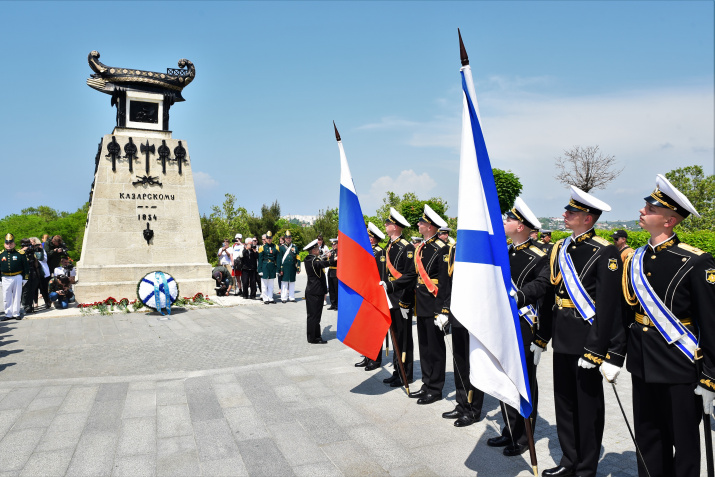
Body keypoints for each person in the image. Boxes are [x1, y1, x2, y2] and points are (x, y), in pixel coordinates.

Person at [515, 186, 624, 477]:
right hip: (563, 337)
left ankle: (586, 468)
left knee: (587, 409)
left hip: (588, 341)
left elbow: (610, 306)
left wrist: (609, 353)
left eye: (572, 211)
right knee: (564, 404)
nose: (565, 214)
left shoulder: (605, 251)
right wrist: (524, 306)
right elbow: (546, 290)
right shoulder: (560, 248)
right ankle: (569, 460)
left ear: (588, 218)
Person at [616, 175, 715, 477]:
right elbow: (626, 313)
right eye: (646, 204)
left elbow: (711, 324)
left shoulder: (696, 262)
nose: (643, 210)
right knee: (648, 438)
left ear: (669, 220)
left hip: (678, 366)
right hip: (642, 362)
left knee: (683, 444)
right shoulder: (635, 258)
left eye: (651, 207)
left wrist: (710, 377)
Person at [486, 197, 547, 453]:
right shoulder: (505, 252)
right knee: (505, 376)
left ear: (521, 226)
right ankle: (509, 429)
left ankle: (523, 436)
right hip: (503, 324)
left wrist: (542, 338)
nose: (505, 221)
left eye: (509, 219)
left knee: (523, 381)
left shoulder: (539, 257)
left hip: (524, 326)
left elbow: (543, 286)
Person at [385, 204, 449, 405]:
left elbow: (446, 283)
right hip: (420, 304)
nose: (419, 224)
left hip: (434, 305)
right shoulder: (421, 248)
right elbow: (412, 276)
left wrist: (443, 309)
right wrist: (390, 286)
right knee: (424, 347)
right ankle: (426, 384)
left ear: (430, 226)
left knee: (435, 349)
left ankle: (435, 389)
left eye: (422, 222)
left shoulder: (442, 249)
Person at [435, 231, 485, 428]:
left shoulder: (481, 247)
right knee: (460, 361)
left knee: (474, 362)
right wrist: (443, 310)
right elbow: (447, 283)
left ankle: (473, 408)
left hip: (477, 314)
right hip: (458, 312)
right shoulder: (454, 249)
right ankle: (461, 403)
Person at [376, 208, 415, 388]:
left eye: (388, 223)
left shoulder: (406, 247)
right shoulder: (388, 247)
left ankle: (405, 373)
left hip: (400, 299)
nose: (385, 225)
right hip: (388, 297)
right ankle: (397, 371)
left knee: (403, 337)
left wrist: (395, 290)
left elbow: (409, 276)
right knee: (395, 338)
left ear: (396, 226)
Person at [357, 222, 386, 371]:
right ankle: (367, 356)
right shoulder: (367, 251)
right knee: (366, 328)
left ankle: (375, 359)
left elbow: (380, 275)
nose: (367, 238)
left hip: (374, 295)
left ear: (374, 238)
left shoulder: (380, 252)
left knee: (374, 329)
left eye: (369, 236)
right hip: (365, 294)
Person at [303, 239, 331, 344]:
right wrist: (335, 259)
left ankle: (316, 335)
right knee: (313, 316)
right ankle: (312, 338)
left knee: (316, 316)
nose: (318, 250)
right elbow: (322, 264)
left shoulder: (310, 258)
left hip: (315, 291)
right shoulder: (313, 260)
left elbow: (320, 260)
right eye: (317, 248)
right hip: (314, 292)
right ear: (313, 250)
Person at [1, 233, 29, 320]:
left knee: (17, 296)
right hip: (5, 277)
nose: (9, 245)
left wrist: (25, 278)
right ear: (4, 244)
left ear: (14, 244)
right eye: (7, 243)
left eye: (11, 243)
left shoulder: (20, 253)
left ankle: (16, 313)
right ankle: (8, 313)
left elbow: (26, 266)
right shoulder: (1, 254)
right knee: (6, 296)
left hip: (17, 276)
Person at [20, 238, 42, 314]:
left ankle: (30, 305)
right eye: (26, 245)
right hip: (25, 273)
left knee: (32, 289)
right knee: (26, 290)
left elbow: (39, 258)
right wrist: (24, 251)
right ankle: (26, 306)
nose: (28, 246)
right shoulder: (19, 252)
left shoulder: (32, 251)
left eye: (28, 244)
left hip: (33, 272)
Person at [257, 231, 280, 304]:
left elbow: (278, 259)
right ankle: (265, 298)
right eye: (267, 238)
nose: (269, 239)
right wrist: (259, 269)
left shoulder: (275, 247)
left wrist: (278, 269)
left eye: (270, 238)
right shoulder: (262, 247)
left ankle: (270, 298)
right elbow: (260, 259)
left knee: (271, 284)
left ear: (272, 239)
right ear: (266, 239)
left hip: (272, 266)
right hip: (265, 266)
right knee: (264, 284)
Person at [278, 231, 300, 303]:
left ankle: (291, 297)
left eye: (289, 238)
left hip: (292, 267)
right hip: (285, 267)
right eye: (287, 238)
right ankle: (283, 297)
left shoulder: (295, 247)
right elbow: (280, 259)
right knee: (284, 283)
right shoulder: (282, 247)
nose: (288, 239)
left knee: (292, 282)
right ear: (285, 239)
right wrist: (281, 269)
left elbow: (298, 258)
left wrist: (298, 267)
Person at [31, 237, 51, 309]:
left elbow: (42, 259)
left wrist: (39, 250)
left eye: (32, 242)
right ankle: (35, 302)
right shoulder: (30, 250)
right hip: (34, 271)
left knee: (43, 288)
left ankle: (47, 302)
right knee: (35, 288)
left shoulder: (41, 249)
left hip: (42, 271)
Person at [316, 235, 330, 305]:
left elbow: (329, 255)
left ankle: (324, 299)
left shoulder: (325, 247)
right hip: (317, 266)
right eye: (318, 240)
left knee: (325, 283)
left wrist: (327, 254)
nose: (319, 241)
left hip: (324, 266)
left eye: (321, 240)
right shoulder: (315, 247)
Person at [327, 238, 338, 310]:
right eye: (332, 244)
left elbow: (334, 262)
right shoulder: (332, 252)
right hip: (330, 271)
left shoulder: (339, 252)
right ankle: (332, 304)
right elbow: (327, 262)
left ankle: (337, 304)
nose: (333, 245)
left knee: (336, 289)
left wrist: (330, 257)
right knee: (331, 289)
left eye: (334, 244)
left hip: (335, 272)